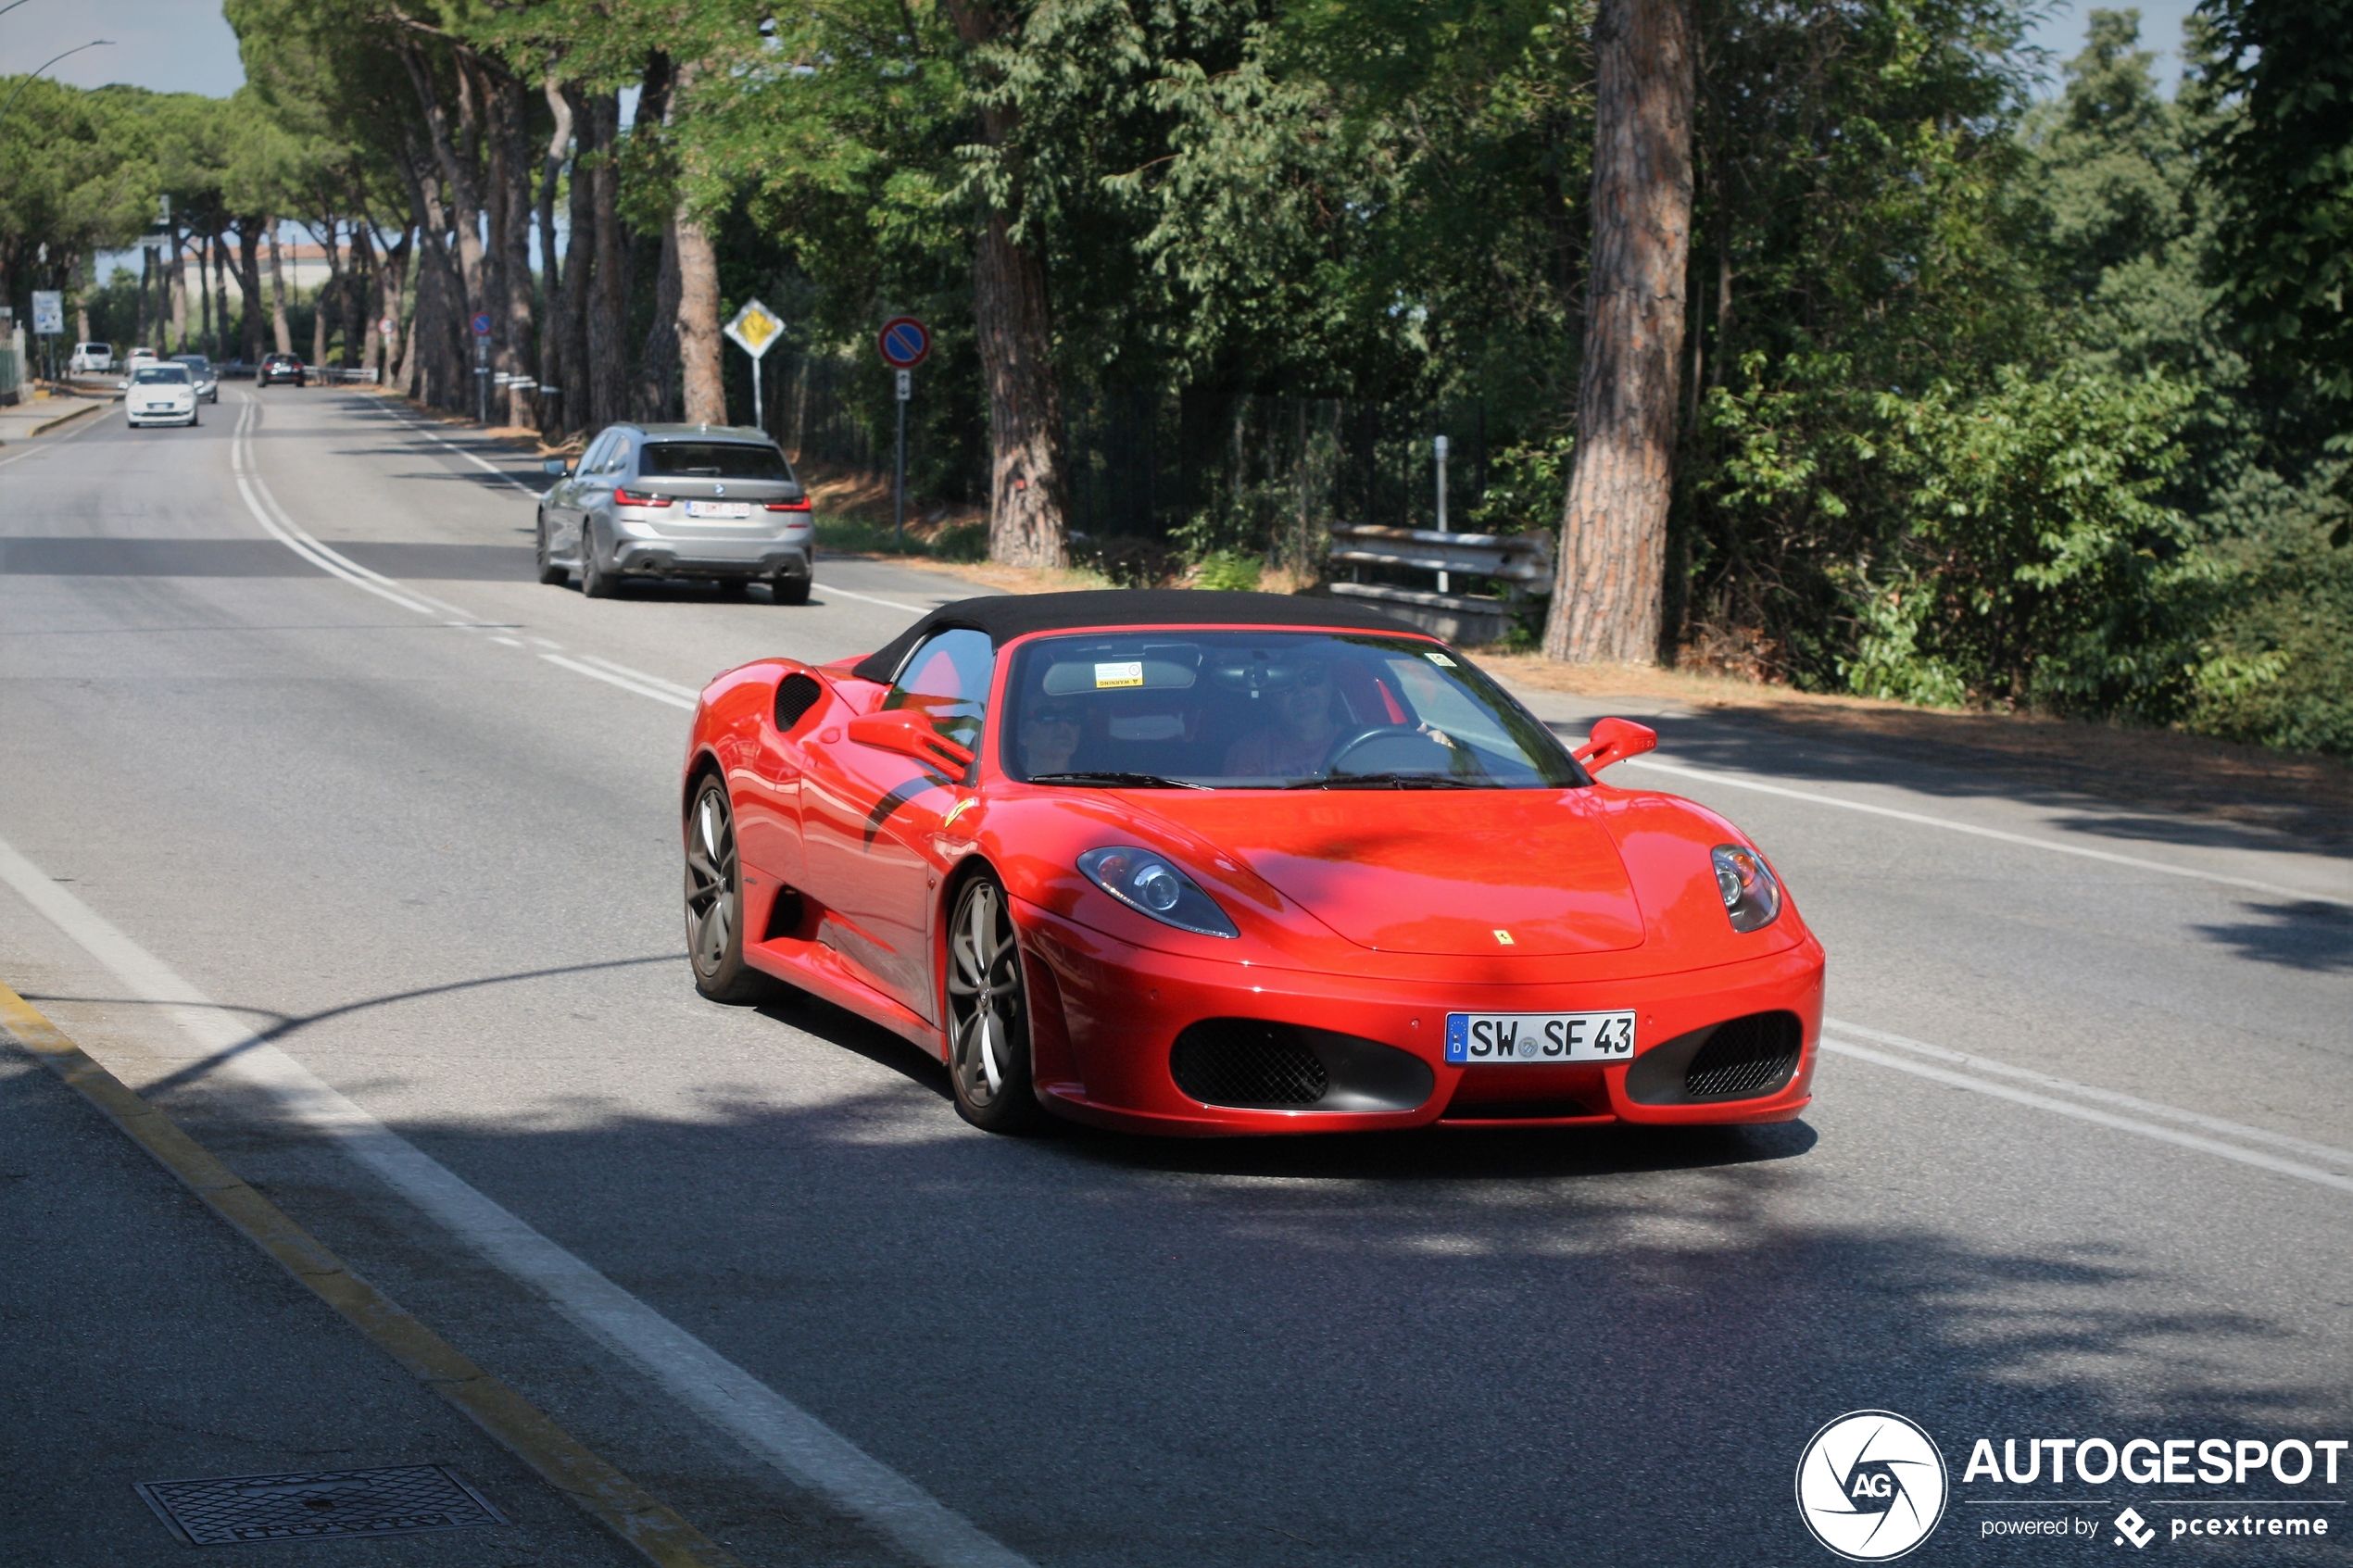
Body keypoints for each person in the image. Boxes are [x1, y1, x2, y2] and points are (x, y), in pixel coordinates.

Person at [1222, 659, 1344, 777]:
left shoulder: (1361, 746)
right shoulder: (1251, 751)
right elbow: (1244, 797)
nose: (1301, 692)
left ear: (1330, 683)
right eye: (1286, 685)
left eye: (1311, 677)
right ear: (1272, 698)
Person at [1018, 701, 1083, 776]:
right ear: (1023, 734)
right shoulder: (1010, 781)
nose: (1063, 724)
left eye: (1072, 716)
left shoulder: (1094, 782)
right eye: (1047, 716)